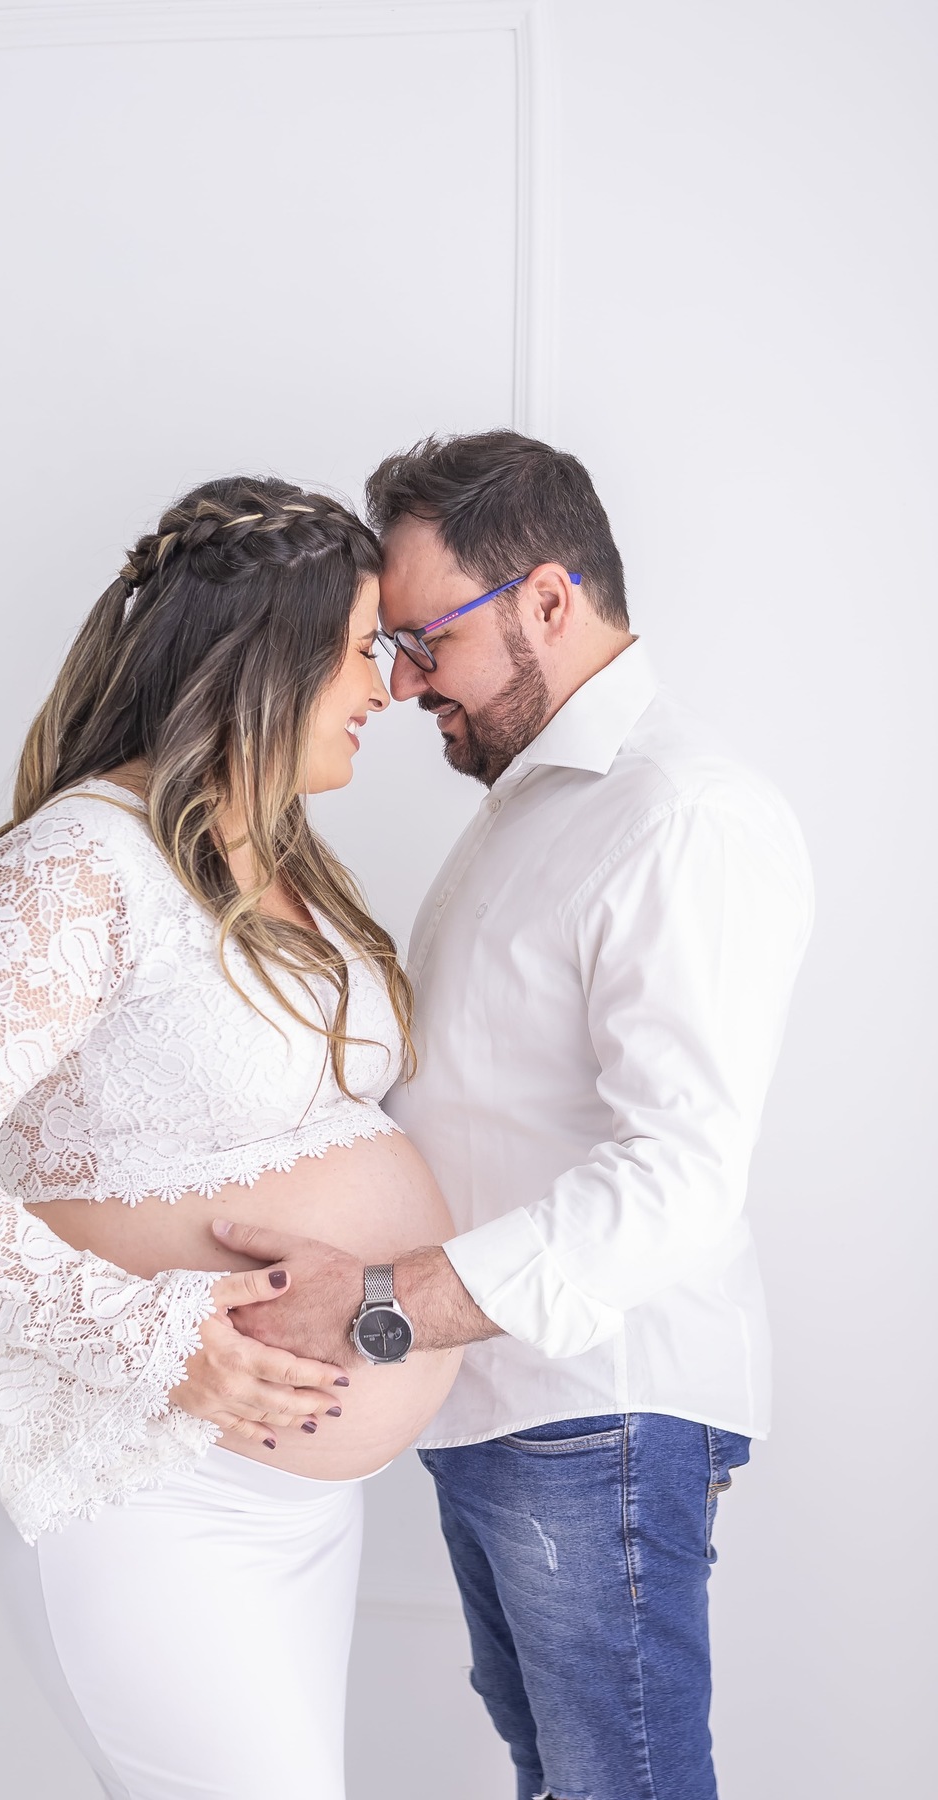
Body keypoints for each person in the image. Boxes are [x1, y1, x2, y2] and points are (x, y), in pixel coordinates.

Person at [0, 476, 463, 1800]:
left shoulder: (293, 862)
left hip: (297, 1502)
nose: (392, 685)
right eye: (363, 649)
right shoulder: (83, 863)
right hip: (153, 1484)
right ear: (270, 660)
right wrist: (155, 1340)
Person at [217, 431, 814, 1800]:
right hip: (501, 1401)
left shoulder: (683, 818)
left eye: (427, 637)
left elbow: (679, 1175)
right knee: (560, 1777)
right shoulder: (527, 808)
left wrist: (384, 1303)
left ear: (551, 599)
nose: (405, 679)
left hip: (597, 1405)